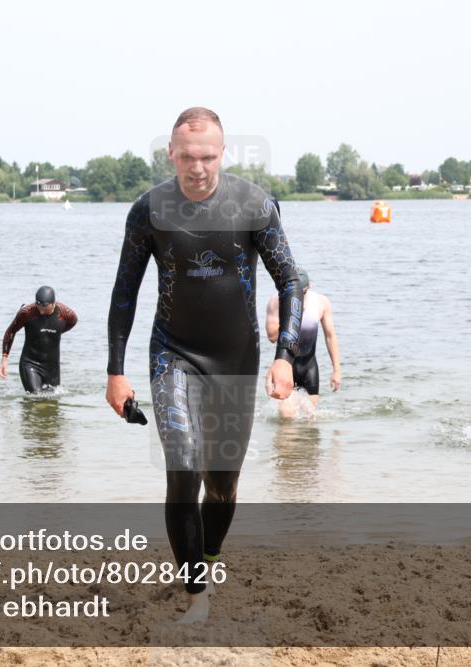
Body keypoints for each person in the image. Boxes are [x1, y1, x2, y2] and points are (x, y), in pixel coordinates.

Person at [104, 107, 303, 624]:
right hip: (174, 352)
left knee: (222, 485)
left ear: (222, 152)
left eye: (208, 156)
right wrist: (115, 371)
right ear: (171, 154)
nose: (197, 167)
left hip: (236, 360)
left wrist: (284, 357)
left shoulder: (254, 205)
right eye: (187, 156)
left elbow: (288, 282)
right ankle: (196, 596)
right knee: (183, 467)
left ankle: (207, 558)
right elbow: (124, 293)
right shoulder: (149, 210)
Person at [265, 267, 341, 416]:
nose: (300, 296)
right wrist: (291, 317)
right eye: (297, 293)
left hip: (309, 367)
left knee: (310, 421)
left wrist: (336, 371)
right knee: (286, 418)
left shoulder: (321, 302)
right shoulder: (276, 301)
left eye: (303, 293)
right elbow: (272, 337)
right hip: (287, 366)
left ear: (309, 287)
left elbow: (330, 336)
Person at [0, 286, 77, 392]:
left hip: (52, 366)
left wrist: (55, 332)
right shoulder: (27, 313)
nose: (41, 312)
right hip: (30, 363)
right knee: (36, 397)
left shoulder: (66, 314)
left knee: (52, 401)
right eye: (39, 307)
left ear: (53, 303)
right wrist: (4, 358)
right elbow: (11, 331)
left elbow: (72, 323)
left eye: (45, 309)